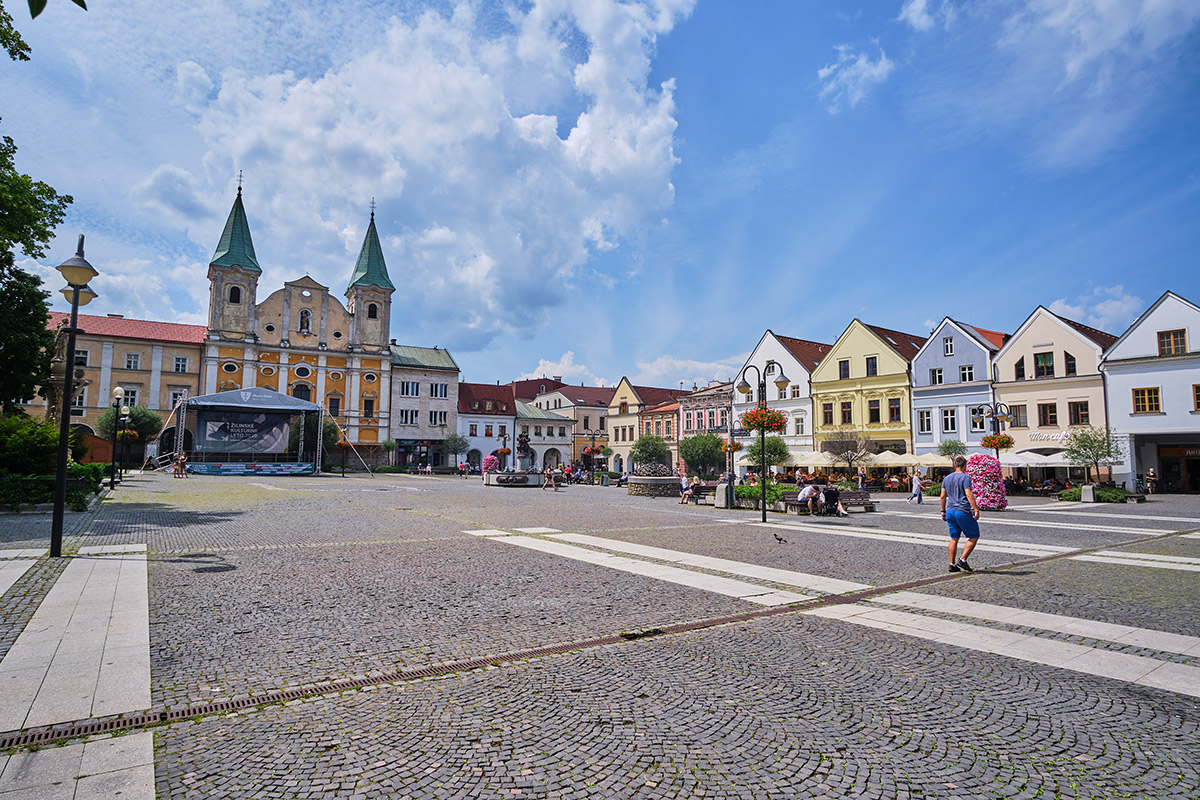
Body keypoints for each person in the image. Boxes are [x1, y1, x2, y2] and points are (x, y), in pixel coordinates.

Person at [941, 455, 981, 573]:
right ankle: (962, 560)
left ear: (954, 465)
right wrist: (976, 509)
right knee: (974, 536)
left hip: (950, 511)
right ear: (965, 466)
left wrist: (943, 511)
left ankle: (952, 564)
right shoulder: (965, 478)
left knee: (954, 538)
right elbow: (969, 494)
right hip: (962, 511)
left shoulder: (946, 478)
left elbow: (943, 496)